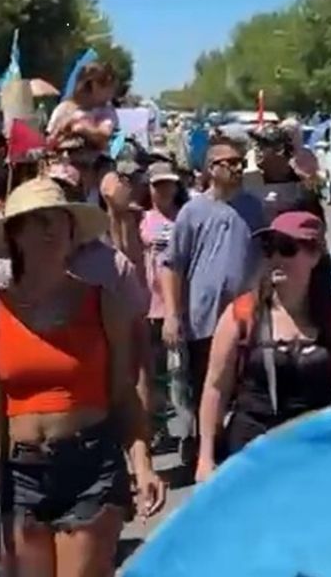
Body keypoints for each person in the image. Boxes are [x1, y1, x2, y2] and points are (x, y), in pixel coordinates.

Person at [0, 178, 165, 576]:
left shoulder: (104, 304)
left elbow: (123, 394)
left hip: (91, 466)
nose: (51, 230)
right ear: (15, 236)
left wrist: (143, 464)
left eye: (60, 220)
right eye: (38, 221)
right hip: (21, 472)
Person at [196, 211, 331, 480]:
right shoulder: (241, 314)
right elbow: (216, 388)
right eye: (269, 248)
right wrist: (205, 458)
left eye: (286, 248)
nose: (276, 257)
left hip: (318, 456)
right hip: (251, 455)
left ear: (314, 256)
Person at [160, 134, 266, 467]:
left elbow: (266, 257)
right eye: (229, 163)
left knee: (242, 388)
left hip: (245, 319)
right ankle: (202, 450)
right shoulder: (192, 211)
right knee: (204, 386)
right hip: (202, 319)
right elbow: (172, 265)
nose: (237, 168)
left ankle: (232, 453)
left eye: (240, 163)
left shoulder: (254, 209)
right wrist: (172, 314)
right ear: (210, 168)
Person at [138, 161, 187, 447]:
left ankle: (187, 430)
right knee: (154, 372)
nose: (165, 190)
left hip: (180, 305)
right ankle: (159, 428)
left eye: (169, 184)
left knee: (180, 373)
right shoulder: (141, 219)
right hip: (150, 305)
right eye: (158, 185)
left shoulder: (185, 216)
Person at [242, 124, 324, 221]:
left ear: (280, 149)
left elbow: (315, 223)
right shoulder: (247, 182)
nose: (256, 150)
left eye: (263, 145)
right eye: (256, 145)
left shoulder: (302, 188)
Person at [46, 61, 119, 151]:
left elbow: (104, 134)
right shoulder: (64, 108)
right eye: (110, 89)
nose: (112, 94)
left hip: (91, 158)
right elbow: (50, 137)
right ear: (95, 86)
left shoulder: (106, 111)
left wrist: (84, 129)